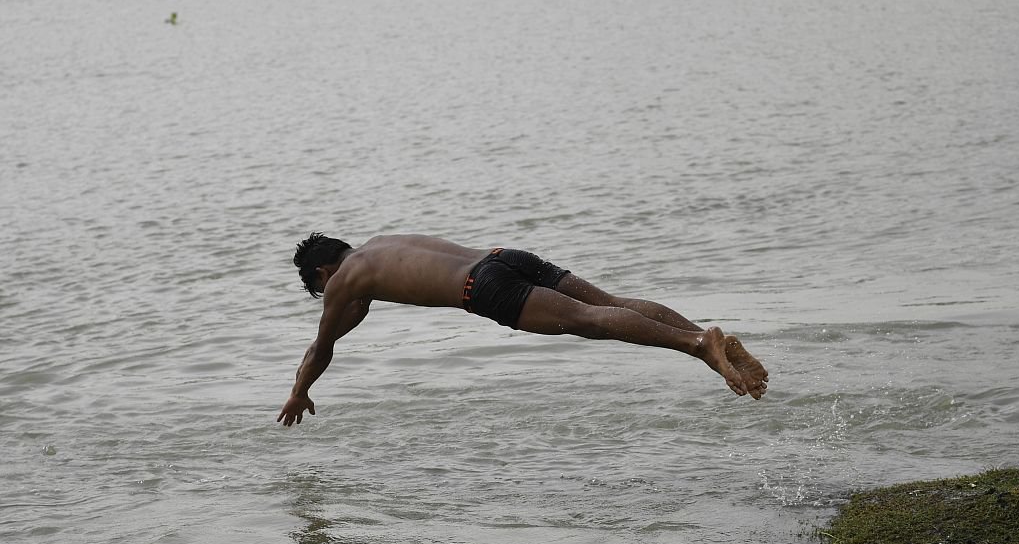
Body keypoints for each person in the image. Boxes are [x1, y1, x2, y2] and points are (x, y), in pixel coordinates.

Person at [277, 233, 768, 426]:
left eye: (322, 289)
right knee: (610, 304)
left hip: (480, 287)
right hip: (504, 258)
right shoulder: (379, 247)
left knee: (591, 324)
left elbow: (322, 346)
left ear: (323, 274)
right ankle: (704, 335)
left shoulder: (344, 282)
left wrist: (299, 391)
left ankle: (698, 344)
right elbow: (361, 309)